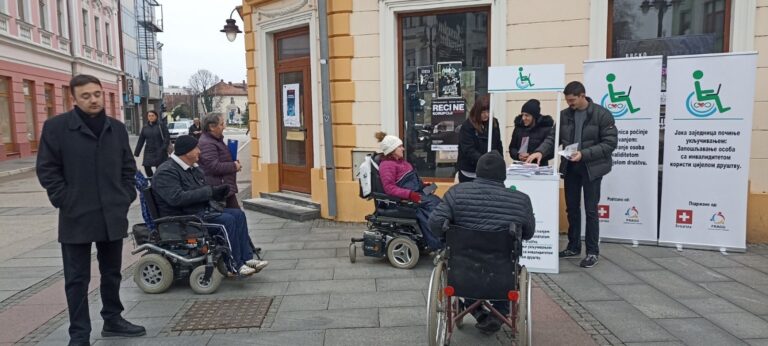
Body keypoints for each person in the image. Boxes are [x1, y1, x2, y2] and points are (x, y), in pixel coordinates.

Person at [36, 74, 146, 345]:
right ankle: (79, 333)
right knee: (76, 279)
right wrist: (65, 199)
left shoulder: (116, 128)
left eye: (96, 94)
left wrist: (124, 196)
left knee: (112, 271)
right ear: (73, 98)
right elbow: (47, 170)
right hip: (76, 214)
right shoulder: (56, 128)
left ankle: (113, 319)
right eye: (86, 96)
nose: (93, 99)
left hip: (112, 212)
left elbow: (127, 167)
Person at [429, 151, 535, 334]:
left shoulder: (456, 193)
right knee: (507, 264)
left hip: (462, 268)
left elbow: (435, 224)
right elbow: (528, 234)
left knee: (464, 268)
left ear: (477, 172)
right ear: (503, 174)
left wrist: (448, 235)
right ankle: (499, 312)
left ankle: (474, 308)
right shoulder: (521, 200)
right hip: (502, 270)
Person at [526, 81, 618, 268]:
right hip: (571, 168)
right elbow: (553, 138)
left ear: (583, 96)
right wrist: (540, 152)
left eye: (573, 100)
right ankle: (573, 246)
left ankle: (592, 252)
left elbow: (610, 144)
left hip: (592, 168)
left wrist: (584, 154)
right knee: (572, 208)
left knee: (591, 210)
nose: (570, 104)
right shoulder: (564, 115)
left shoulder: (602, 115)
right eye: (568, 101)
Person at [151, 135, 268, 275]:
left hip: (198, 211)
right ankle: (236, 265)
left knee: (238, 214)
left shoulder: (192, 168)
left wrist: (216, 192)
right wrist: (208, 192)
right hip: (183, 218)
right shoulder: (167, 171)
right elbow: (176, 198)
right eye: (196, 148)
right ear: (187, 152)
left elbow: (201, 189)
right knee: (227, 221)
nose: (199, 151)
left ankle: (247, 258)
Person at [375, 132, 443, 250]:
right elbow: (389, 188)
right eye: (400, 146)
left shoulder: (401, 162)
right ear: (392, 150)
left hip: (415, 194)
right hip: (402, 201)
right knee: (432, 207)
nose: (403, 148)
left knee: (439, 202)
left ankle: (442, 238)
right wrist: (410, 195)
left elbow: (411, 180)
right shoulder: (387, 165)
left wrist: (423, 186)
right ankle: (437, 243)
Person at [198, 113, 241, 209]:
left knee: (237, 217)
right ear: (212, 127)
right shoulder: (207, 143)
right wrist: (234, 166)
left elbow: (220, 160)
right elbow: (214, 167)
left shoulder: (215, 140)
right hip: (219, 188)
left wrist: (233, 162)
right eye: (221, 124)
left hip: (224, 187)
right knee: (235, 216)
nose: (224, 127)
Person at [457, 95, 503, 182]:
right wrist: (486, 161)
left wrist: (500, 162)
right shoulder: (467, 126)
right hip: (470, 171)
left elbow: (498, 144)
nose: (486, 115)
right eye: (483, 112)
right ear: (477, 111)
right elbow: (468, 150)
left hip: (489, 170)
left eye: (488, 111)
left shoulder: (494, 123)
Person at [509, 99, 554, 166]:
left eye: (527, 115)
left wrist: (532, 155)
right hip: (520, 167)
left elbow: (551, 152)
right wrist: (518, 155)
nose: (523, 118)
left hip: (539, 168)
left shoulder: (546, 129)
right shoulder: (518, 128)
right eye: (522, 115)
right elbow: (512, 148)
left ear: (534, 116)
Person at [133, 110, 170, 177]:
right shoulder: (145, 127)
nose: (151, 117)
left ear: (156, 116)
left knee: (159, 168)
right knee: (146, 166)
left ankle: (158, 181)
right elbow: (141, 140)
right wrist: (136, 152)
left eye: (152, 116)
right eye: (149, 116)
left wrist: (163, 148)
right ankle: (152, 181)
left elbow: (167, 137)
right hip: (149, 151)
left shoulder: (161, 125)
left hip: (160, 150)